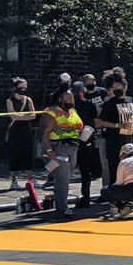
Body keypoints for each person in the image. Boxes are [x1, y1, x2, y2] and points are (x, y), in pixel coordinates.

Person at [39, 88, 84, 218]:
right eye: (68, 98)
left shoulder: (72, 111)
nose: (71, 100)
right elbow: (45, 133)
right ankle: (62, 208)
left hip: (73, 147)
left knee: (65, 178)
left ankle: (59, 202)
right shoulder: (52, 112)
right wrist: (48, 151)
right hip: (58, 147)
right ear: (60, 99)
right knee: (63, 178)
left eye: (72, 98)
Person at [96, 74, 133, 183]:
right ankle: (114, 192)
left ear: (124, 87)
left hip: (128, 138)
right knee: (114, 167)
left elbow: (131, 121)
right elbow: (99, 122)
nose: (116, 89)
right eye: (113, 87)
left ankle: (126, 192)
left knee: (128, 166)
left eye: (118, 86)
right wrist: (117, 125)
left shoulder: (131, 101)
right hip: (114, 139)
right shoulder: (109, 103)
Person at [71, 81, 102, 208]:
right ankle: (86, 196)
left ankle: (63, 197)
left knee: (71, 168)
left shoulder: (68, 106)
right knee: (85, 170)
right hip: (87, 138)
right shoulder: (89, 105)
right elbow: (93, 122)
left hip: (71, 138)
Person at [5, 78, 36, 190]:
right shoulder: (10, 100)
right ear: (15, 88)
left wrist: (20, 117)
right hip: (15, 130)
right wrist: (24, 117)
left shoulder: (28, 100)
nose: (23, 89)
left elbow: (33, 115)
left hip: (26, 129)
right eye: (21, 87)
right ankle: (13, 180)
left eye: (25, 87)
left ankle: (30, 179)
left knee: (28, 152)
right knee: (15, 153)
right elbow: (13, 116)